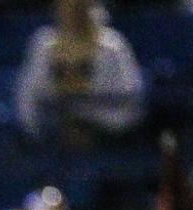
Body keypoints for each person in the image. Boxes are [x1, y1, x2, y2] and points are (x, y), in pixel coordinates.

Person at [15, 0, 145, 150]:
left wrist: (87, 118)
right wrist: (37, 133)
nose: (72, 12)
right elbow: (26, 99)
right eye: (66, 6)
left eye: (78, 6)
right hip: (53, 138)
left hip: (106, 138)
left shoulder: (112, 47)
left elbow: (131, 99)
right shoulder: (43, 45)